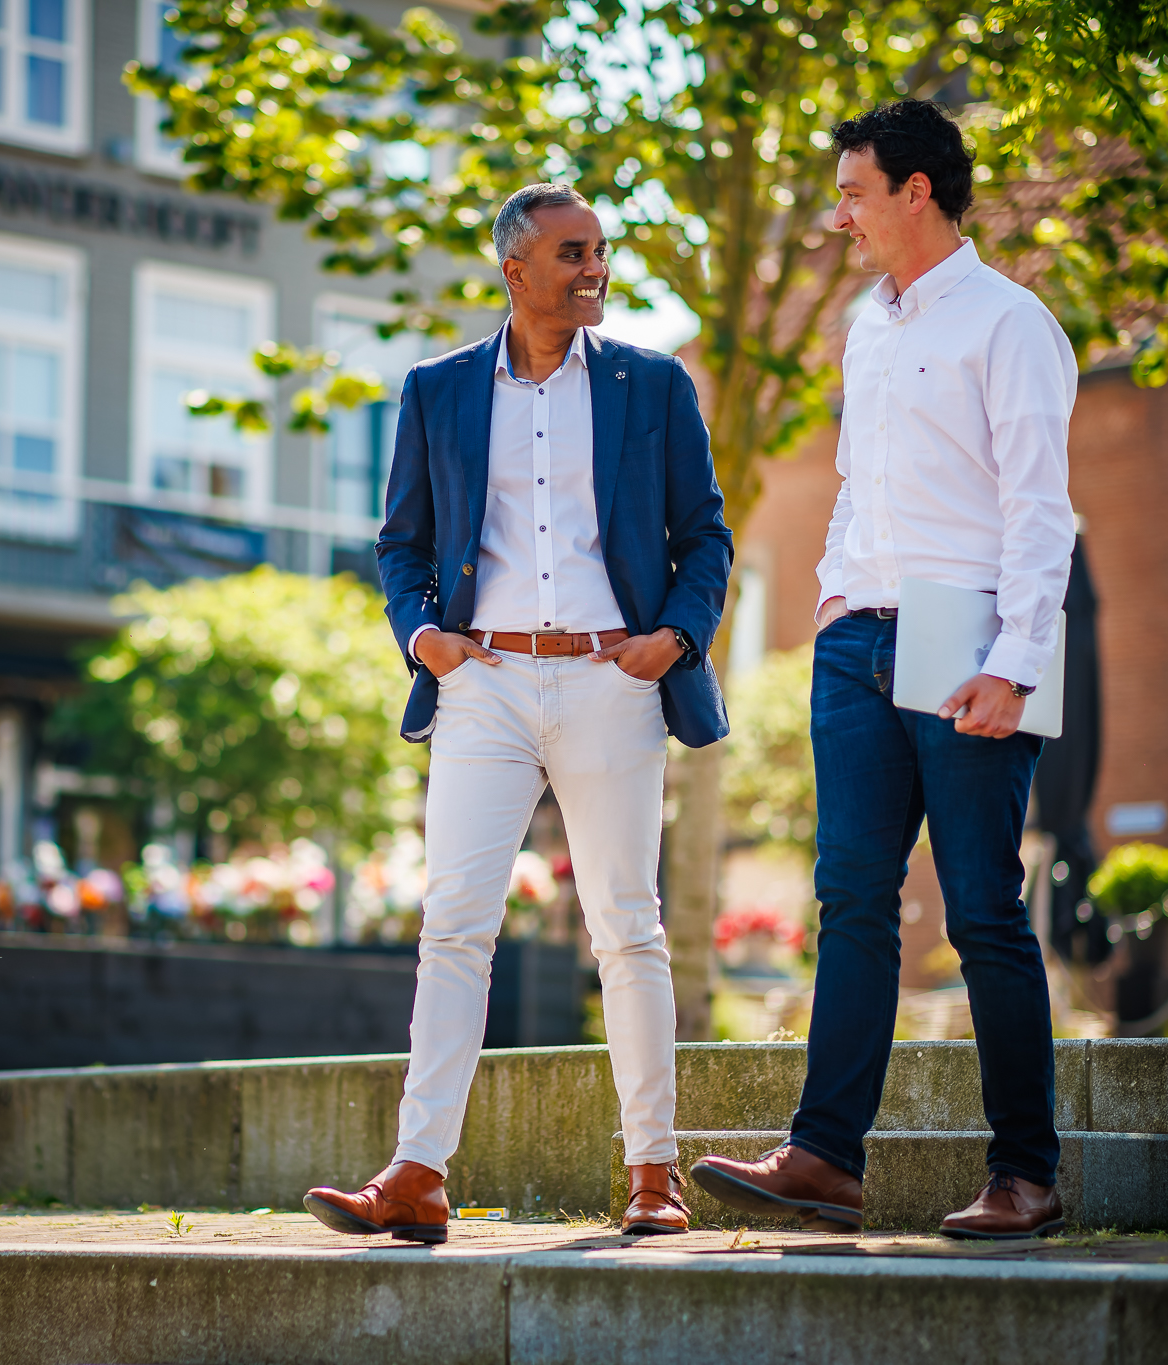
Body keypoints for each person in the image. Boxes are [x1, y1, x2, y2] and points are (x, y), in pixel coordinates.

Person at [303, 182, 733, 1243]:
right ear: (514, 269)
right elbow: (400, 543)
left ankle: (651, 1174)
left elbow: (705, 537)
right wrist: (423, 637)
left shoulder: (651, 385)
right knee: (452, 927)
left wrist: (670, 640)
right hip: (481, 683)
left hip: (610, 680)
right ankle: (415, 1175)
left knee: (626, 929)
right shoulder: (436, 389)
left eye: (598, 250)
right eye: (572, 253)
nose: (593, 268)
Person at [690, 99, 1077, 1240]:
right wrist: (828, 592)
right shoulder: (866, 323)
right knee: (850, 900)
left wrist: (1014, 664)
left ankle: (1025, 1174)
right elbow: (858, 479)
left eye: (854, 192)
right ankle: (822, 1159)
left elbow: (1039, 515)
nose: (839, 214)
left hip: (969, 642)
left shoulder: (1010, 324)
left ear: (916, 191)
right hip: (855, 641)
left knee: (978, 912)